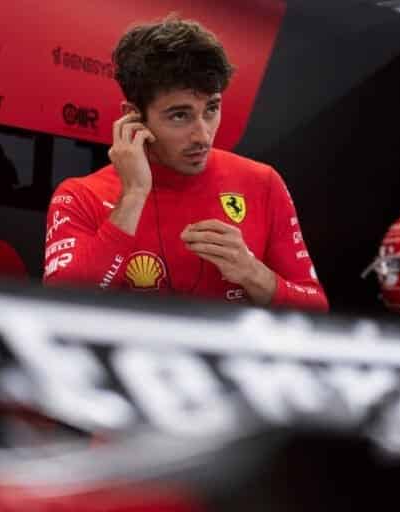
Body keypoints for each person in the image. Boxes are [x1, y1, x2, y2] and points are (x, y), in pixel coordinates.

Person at [43, 16, 328, 311]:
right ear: (133, 116)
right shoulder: (80, 196)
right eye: (180, 115)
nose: (202, 135)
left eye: (211, 109)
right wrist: (134, 195)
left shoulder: (262, 183)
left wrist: (252, 273)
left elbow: (315, 308)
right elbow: (61, 308)